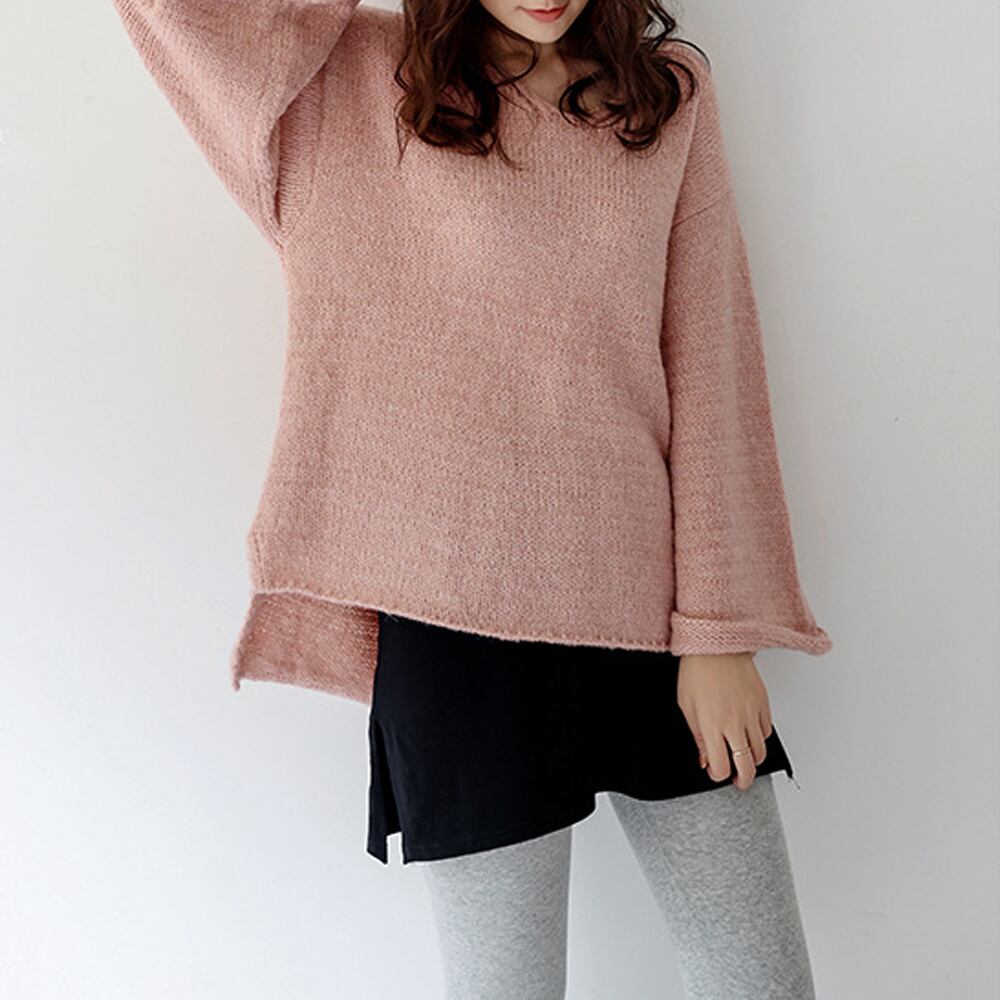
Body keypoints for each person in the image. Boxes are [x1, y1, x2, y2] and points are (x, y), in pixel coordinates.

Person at [110, 0, 833, 997]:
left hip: (655, 620)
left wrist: (720, 632)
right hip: (451, 629)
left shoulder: (668, 99)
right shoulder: (350, 78)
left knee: (764, 982)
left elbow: (711, 363)